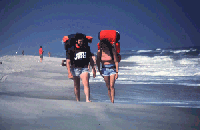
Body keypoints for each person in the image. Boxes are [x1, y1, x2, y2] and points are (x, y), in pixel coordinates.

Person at [66, 33, 96, 102]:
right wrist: (69, 72)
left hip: (84, 68)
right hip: (74, 69)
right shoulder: (71, 49)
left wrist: (93, 68)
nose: (81, 43)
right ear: (76, 41)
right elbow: (68, 62)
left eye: (82, 41)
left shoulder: (86, 48)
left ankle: (87, 99)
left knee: (86, 83)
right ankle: (77, 100)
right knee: (76, 86)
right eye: (80, 41)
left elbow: (90, 59)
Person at [97, 39, 119, 103]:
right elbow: (98, 61)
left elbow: (116, 61)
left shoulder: (112, 50)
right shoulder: (99, 52)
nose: (104, 48)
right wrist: (99, 70)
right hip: (104, 69)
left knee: (112, 86)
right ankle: (110, 100)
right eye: (102, 46)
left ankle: (112, 101)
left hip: (112, 69)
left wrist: (117, 72)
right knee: (108, 86)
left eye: (105, 46)